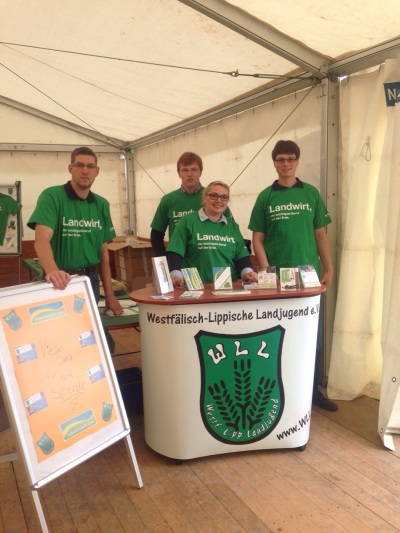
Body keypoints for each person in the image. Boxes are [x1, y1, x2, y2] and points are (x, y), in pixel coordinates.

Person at [248, 139, 337, 411]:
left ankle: (311, 392)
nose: (285, 164)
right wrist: (266, 271)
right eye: (280, 159)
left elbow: (320, 234)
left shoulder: (310, 194)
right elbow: (257, 238)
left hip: (309, 279)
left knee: (313, 336)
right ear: (274, 163)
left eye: (290, 159)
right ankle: (280, 391)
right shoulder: (265, 196)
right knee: (278, 335)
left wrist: (329, 267)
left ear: (297, 161)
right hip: (276, 282)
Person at [27, 146, 123, 318]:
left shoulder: (102, 205)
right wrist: (53, 272)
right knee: (57, 336)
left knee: (87, 335)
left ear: (97, 171)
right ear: (70, 168)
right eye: (79, 165)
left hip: (89, 281)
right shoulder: (52, 196)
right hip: (58, 281)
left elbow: (103, 253)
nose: (85, 171)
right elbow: (41, 240)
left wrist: (109, 295)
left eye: (90, 166)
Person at [167, 181, 258, 287]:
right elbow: (175, 252)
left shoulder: (232, 226)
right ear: (205, 198)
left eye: (224, 197)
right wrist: (176, 276)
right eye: (214, 196)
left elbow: (241, 258)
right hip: (195, 287)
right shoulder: (187, 221)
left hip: (226, 287)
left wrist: (248, 273)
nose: (219, 200)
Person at [150, 152, 232, 256]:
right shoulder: (168, 200)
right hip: (178, 264)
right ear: (179, 173)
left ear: (200, 172)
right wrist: (165, 263)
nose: (189, 174)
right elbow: (156, 236)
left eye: (194, 169)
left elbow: (230, 232)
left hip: (210, 263)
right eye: (185, 170)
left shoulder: (214, 198)